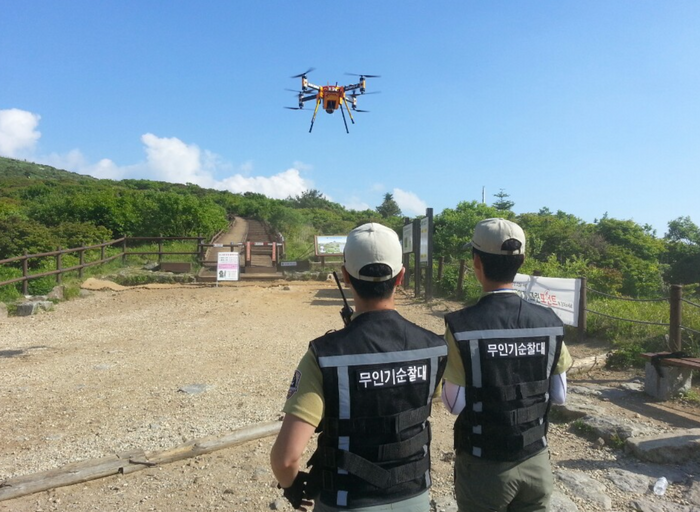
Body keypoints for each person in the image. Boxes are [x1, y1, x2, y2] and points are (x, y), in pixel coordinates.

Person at [270, 222, 448, 511]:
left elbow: (286, 458)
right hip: (414, 497)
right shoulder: (434, 348)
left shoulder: (323, 355)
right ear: (401, 276)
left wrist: (292, 487)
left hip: (345, 500)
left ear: (345, 277)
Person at [441, 218, 572, 512]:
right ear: (521, 261)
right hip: (536, 459)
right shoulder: (549, 322)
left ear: (476, 262)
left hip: (483, 463)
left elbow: (454, 405)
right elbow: (561, 395)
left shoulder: (462, 326)